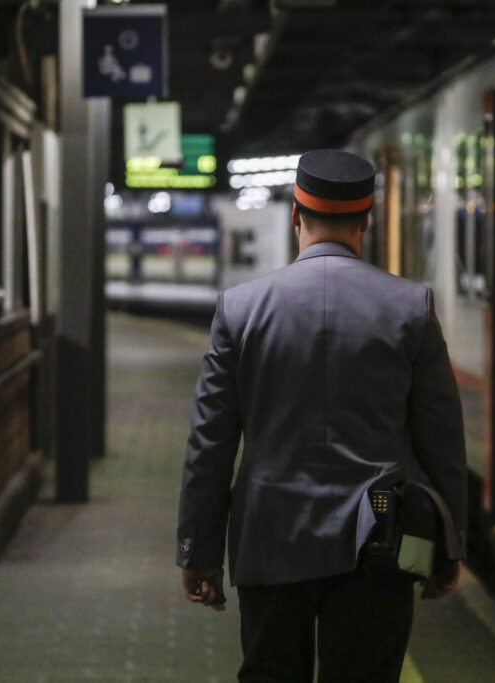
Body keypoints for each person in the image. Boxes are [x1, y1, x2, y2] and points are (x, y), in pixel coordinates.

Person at [176, 149, 467, 682]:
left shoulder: (239, 309)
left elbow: (210, 445)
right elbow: (441, 440)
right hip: (380, 542)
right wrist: (449, 547)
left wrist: (198, 550)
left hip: (268, 541)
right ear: (366, 221)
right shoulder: (411, 307)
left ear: (295, 215)